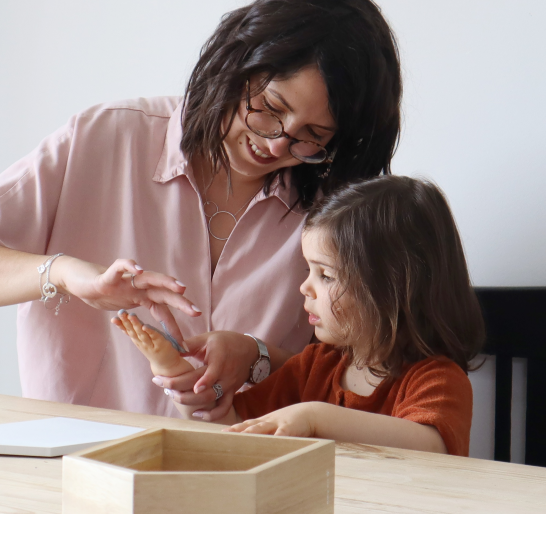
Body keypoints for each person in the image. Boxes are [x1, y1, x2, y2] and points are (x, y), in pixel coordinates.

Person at [0, 0, 402, 419]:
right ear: (236, 61)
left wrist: (259, 356)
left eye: (310, 135)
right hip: (76, 474)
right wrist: (68, 276)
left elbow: (356, 383)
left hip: (246, 495)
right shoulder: (110, 137)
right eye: (269, 108)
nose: (276, 145)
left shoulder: (334, 205)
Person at [115, 176, 485, 456]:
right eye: (308, 270)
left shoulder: (437, 380)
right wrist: (180, 378)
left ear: (392, 288)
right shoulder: (314, 367)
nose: (305, 288)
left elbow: (429, 445)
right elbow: (240, 432)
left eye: (325, 275)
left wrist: (314, 417)